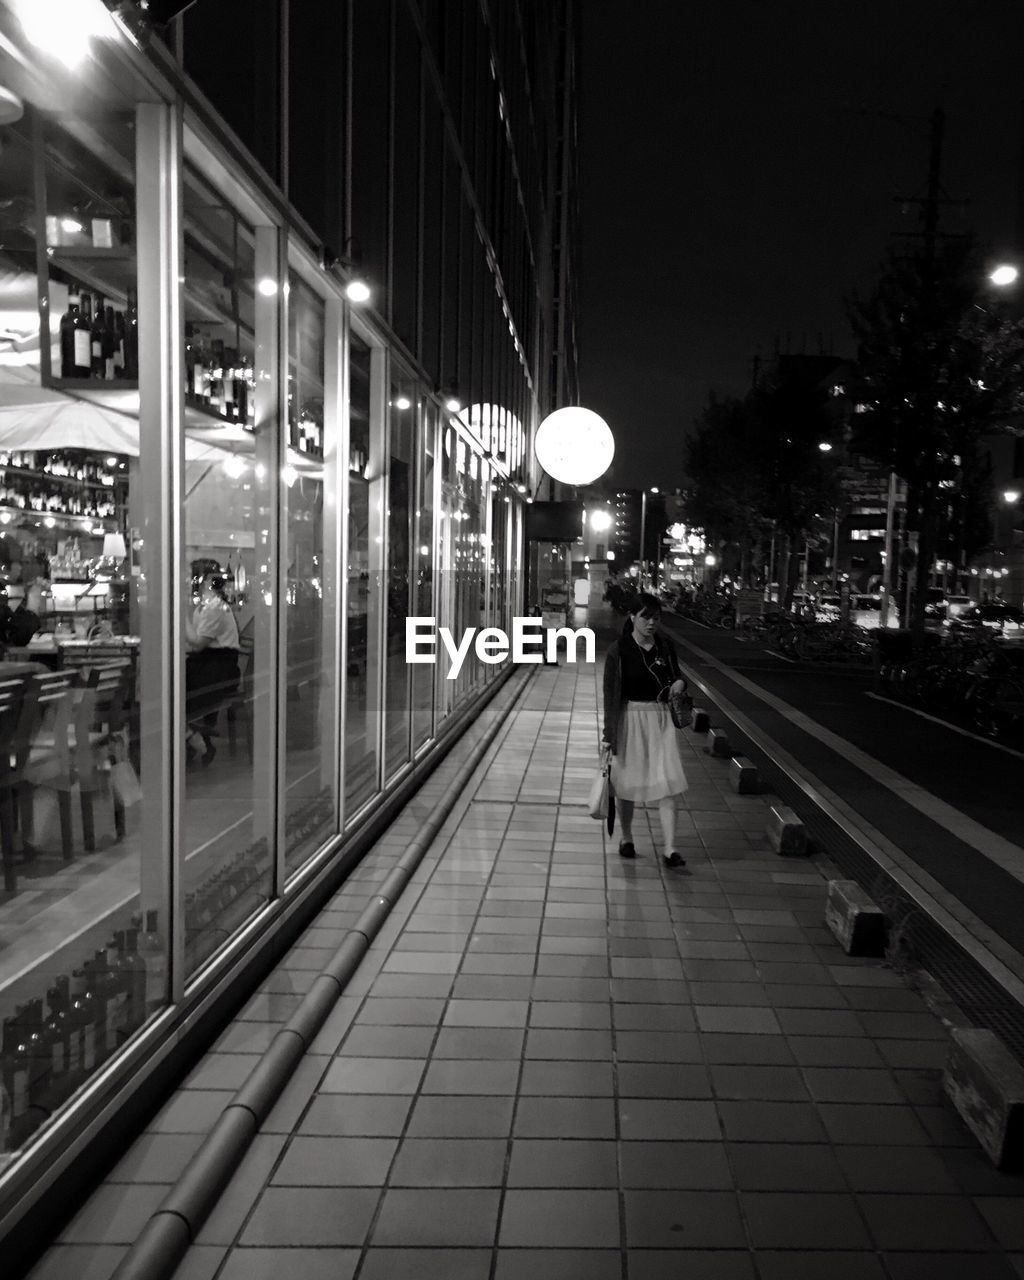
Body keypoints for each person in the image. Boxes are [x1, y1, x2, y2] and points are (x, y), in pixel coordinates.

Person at [602, 591, 690, 867]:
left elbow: (676, 676)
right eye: (646, 617)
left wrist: (680, 684)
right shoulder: (619, 650)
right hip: (630, 718)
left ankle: (670, 848)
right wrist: (608, 735)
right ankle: (627, 838)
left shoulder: (665, 646)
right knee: (627, 783)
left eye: (656, 618)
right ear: (632, 617)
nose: (652, 623)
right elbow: (610, 696)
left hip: (661, 719)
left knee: (669, 782)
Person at [185, 572, 240, 764]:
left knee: (182, 687)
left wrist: (181, 618)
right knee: (177, 682)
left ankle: (196, 736)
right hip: (209, 662)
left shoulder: (215, 608)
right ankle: (193, 736)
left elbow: (198, 643)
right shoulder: (204, 608)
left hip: (219, 666)